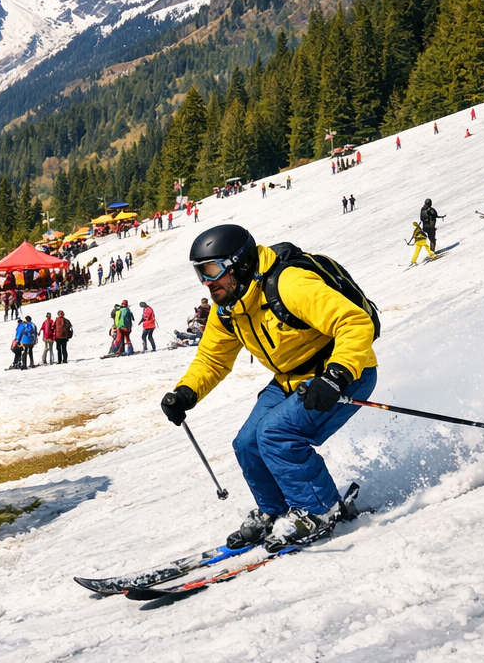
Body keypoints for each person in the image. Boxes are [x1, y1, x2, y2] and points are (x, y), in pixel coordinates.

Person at [161, 224, 378, 551]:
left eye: (213, 271)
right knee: (247, 442)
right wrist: (186, 392)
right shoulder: (231, 306)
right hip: (290, 379)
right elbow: (212, 357)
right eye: (199, 273)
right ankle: (275, 511)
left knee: (277, 434)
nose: (207, 282)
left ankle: (319, 510)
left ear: (240, 264)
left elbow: (353, 321)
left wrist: (336, 375)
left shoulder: (290, 284)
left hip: (342, 374)